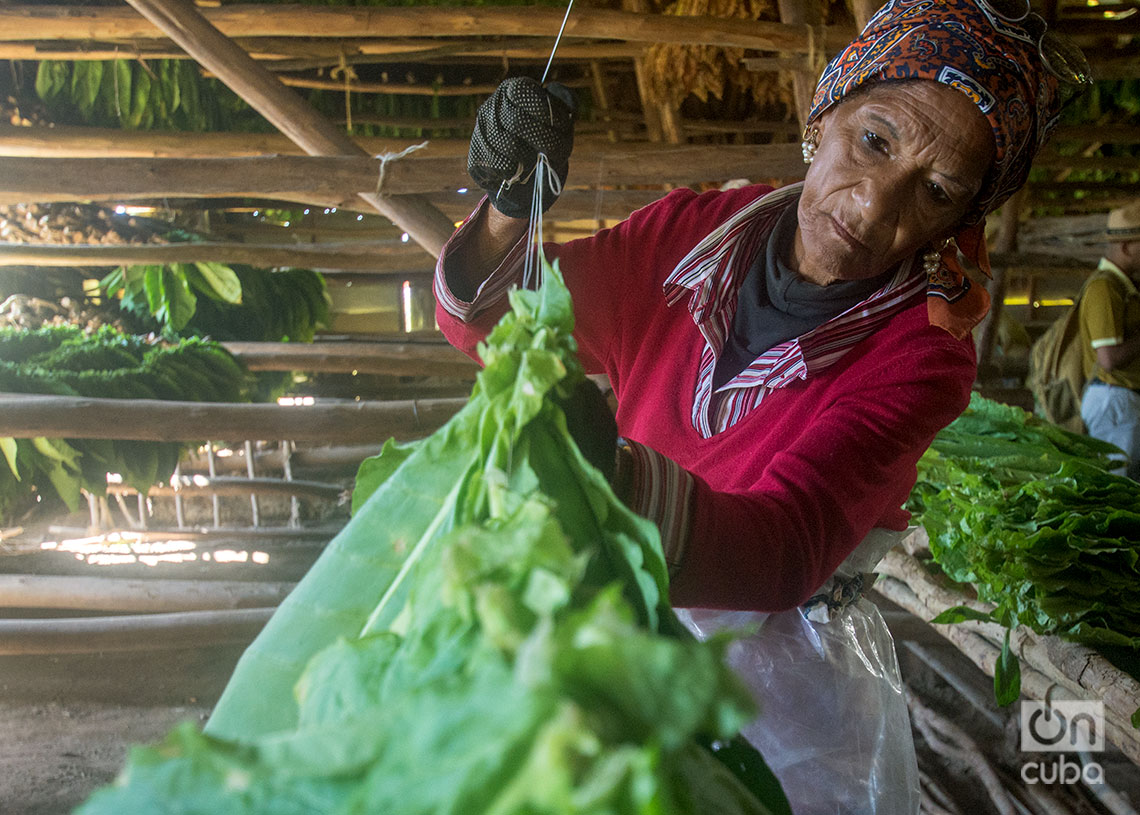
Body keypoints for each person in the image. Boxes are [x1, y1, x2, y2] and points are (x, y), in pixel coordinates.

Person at [434, 1, 1088, 812]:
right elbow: (498, 322)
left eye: (937, 191)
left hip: (779, 694)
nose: (874, 206)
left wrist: (601, 481)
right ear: (826, 113)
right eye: (873, 141)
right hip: (614, 638)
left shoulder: (922, 353)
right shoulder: (691, 231)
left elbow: (786, 545)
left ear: (961, 218)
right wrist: (507, 209)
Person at [1079, 200, 1140, 479]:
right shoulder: (1105, 287)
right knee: (1120, 484)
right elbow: (1109, 358)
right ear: (1127, 247)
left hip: (1121, 398)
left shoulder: (1123, 287)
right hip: (1114, 399)